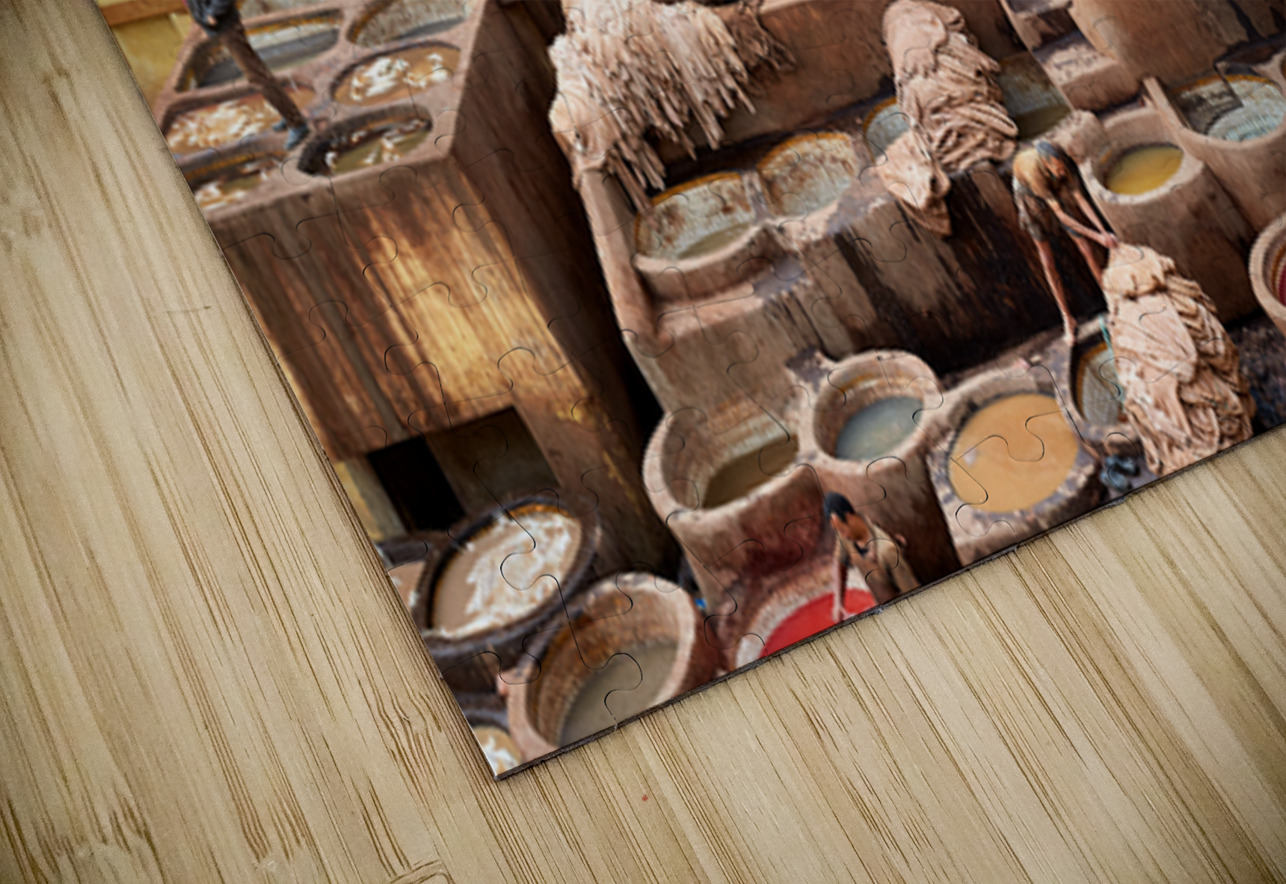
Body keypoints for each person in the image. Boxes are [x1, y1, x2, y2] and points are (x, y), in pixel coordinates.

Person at [1012, 140, 1119, 345]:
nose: (1062, 172)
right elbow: (1060, 215)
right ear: (1046, 164)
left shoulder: (1063, 167)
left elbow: (1080, 199)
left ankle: (1111, 299)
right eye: (1057, 169)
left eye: (1063, 168)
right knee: (1047, 261)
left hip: (1051, 188)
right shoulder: (1035, 172)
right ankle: (1067, 318)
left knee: (1086, 248)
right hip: (1029, 196)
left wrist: (1102, 231)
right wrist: (1097, 237)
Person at [185, 0, 310, 149]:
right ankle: (289, 114)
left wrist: (212, 14)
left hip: (226, 26)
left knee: (258, 78)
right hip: (219, 27)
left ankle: (297, 124)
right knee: (260, 75)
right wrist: (202, 19)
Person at [823, 492, 919, 620]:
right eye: (839, 531)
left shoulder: (887, 551)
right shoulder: (845, 536)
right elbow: (839, 560)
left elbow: (914, 595)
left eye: (842, 530)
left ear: (849, 517)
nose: (842, 535)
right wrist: (838, 603)